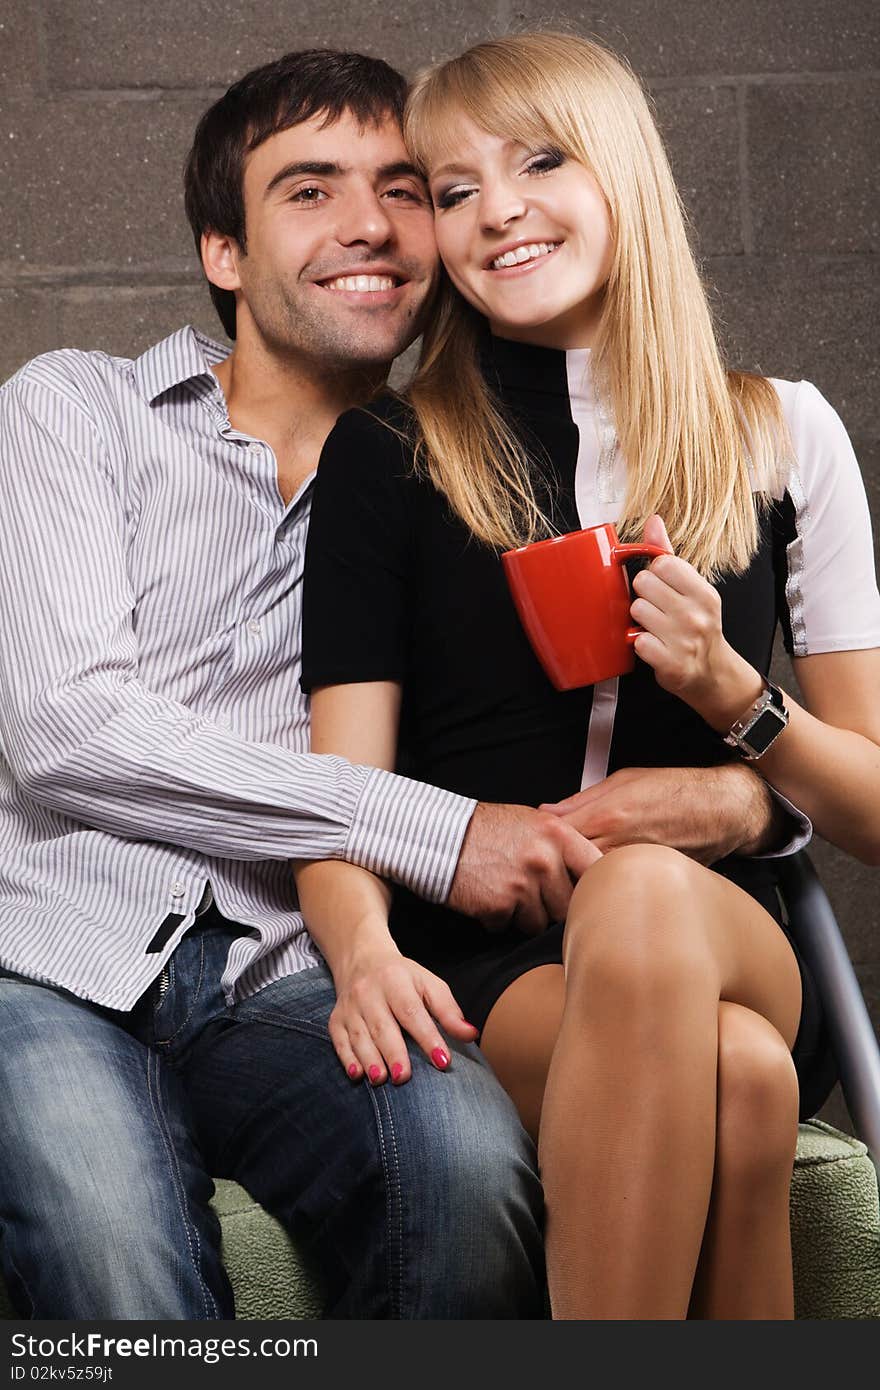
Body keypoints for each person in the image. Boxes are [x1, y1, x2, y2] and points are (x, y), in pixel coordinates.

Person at [297, 32, 880, 1320]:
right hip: (492, 969)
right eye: (453, 191)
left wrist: (739, 700)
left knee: (648, 906)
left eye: (540, 160)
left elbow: (873, 806)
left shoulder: (781, 430)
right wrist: (358, 958)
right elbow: (337, 789)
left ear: (621, 172)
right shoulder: (389, 452)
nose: (498, 209)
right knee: (741, 1078)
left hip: (727, 936)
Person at [0, 48, 565, 1321]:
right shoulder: (76, 410)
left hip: (298, 971)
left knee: (470, 1169)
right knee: (108, 1239)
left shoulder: (472, 492)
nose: (369, 223)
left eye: (405, 189)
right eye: (309, 191)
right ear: (226, 254)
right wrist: (433, 832)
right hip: (46, 956)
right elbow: (64, 728)